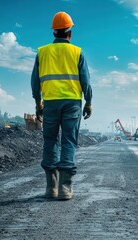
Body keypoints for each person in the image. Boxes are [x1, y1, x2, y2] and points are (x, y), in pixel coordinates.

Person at [31, 11, 92, 200]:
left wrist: (38, 103)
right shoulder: (77, 52)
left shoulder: (42, 52)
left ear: (54, 33)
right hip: (72, 104)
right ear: (69, 33)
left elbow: (35, 82)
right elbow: (86, 82)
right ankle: (65, 188)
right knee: (68, 141)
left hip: (50, 103)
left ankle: (51, 187)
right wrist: (88, 102)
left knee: (50, 141)